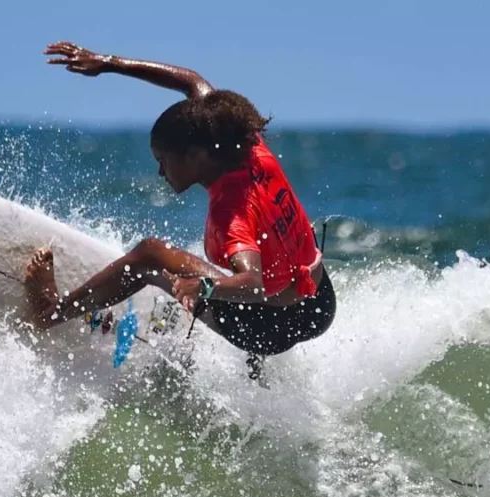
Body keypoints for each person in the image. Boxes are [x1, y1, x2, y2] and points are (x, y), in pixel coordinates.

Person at [24, 41, 335, 368]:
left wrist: (200, 286)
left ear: (196, 156)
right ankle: (254, 365)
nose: (160, 171)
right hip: (320, 303)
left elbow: (252, 283)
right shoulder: (244, 142)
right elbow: (191, 81)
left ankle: (49, 313)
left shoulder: (232, 213)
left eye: (163, 161)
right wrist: (108, 63)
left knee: (149, 256)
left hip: (269, 328)